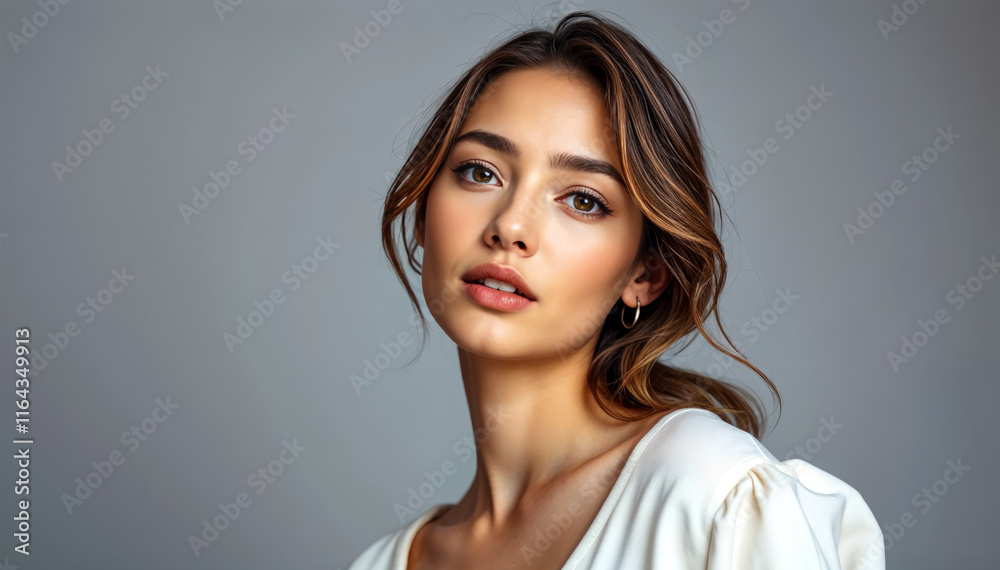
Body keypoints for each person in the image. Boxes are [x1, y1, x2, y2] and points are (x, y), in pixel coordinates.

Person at [351, 10, 885, 570]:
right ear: (421, 214)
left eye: (583, 199)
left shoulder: (714, 500)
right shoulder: (384, 562)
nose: (510, 226)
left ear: (644, 274)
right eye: (481, 172)